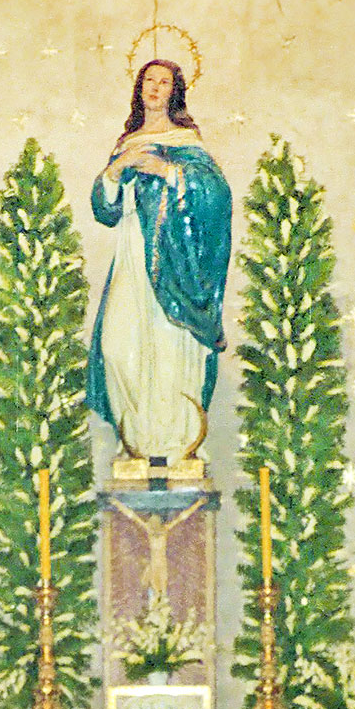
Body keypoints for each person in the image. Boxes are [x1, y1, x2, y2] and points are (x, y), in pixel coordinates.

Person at [86, 60, 232, 463]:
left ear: (174, 91)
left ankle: (174, 443)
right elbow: (105, 210)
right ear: (139, 88)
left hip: (172, 260)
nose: (155, 87)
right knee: (117, 346)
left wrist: (169, 172)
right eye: (149, 80)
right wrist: (115, 171)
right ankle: (136, 439)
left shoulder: (187, 141)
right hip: (132, 252)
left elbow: (216, 196)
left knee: (169, 346)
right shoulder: (126, 140)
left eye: (164, 82)